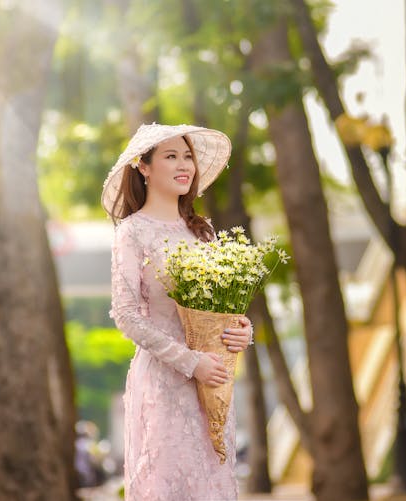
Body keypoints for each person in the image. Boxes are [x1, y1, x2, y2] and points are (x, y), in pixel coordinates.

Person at [102, 123, 254, 501]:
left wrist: (241, 330)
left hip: (212, 385)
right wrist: (190, 362)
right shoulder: (132, 232)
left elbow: (220, 309)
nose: (184, 164)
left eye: (187, 156)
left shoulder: (203, 233)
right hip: (163, 385)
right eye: (171, 156)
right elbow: (126, 314)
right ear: (144, 167)